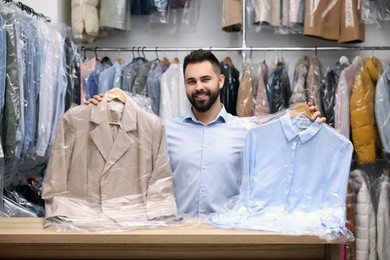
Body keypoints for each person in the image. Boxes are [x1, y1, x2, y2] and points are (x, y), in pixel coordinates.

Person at [86, 49, 325, 217]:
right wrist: (101, 110)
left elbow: (282, 156)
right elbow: (123, 152)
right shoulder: (164, 130)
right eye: (191, 81)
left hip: (227, 241)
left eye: (205, 79)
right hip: (177, 238)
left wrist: (308, 125)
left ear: (221, 81)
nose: (198, 87)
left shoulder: (246, 132)